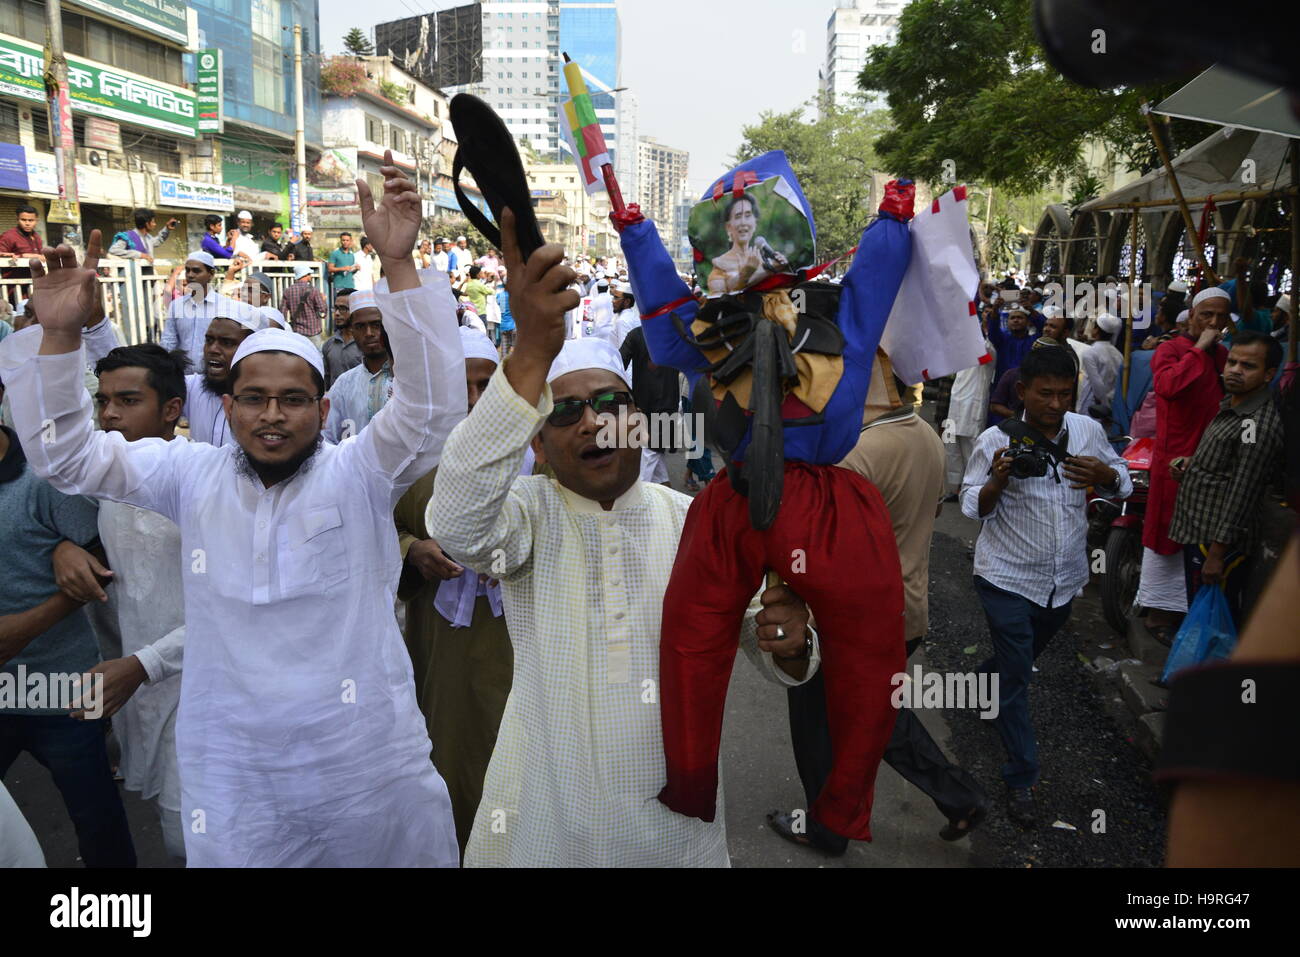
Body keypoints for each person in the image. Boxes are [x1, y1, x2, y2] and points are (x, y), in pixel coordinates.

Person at [0, 154, 464, 867]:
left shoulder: (358, 473)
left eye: (293, 399)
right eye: (254, 398)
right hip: (241, 774)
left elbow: (432, 408)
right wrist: (59, 337)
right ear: (228, 406)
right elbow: (67, 458)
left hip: (365, 767)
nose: (272, 416)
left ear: (323, 406)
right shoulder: (192, 474)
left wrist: (398, 263)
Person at [426, 209, 819, 866]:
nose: (592, 423)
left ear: (638, 424)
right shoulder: (525, 516)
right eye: (567, 412)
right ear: (540, 448)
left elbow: (776, 648)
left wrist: (793, 639)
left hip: (671, 830)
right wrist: (528, 351)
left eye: (610, 404)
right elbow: (456, 523)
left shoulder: (695, 522)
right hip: (544, 824)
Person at [769, 349, 988, 854]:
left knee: (818, 725)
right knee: (878, 715)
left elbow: (820, 546)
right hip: (905, 610)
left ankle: (825, 828)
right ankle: (960, 798)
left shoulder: (859, 453)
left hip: (849, 620)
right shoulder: (925, 435)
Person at [961, 346, 1131, 826]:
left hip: (1064, 581)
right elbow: (974, 505)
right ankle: (1022, 779)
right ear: (1022, 392)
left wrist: (1103, 474)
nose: (1056, 403)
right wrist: (996, 480)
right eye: (1045, 394)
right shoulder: (996, 439)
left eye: (1065, 393)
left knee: (1018, 660)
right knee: (1017, 677)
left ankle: (979, 685)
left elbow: (1121, 482)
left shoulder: (1089, 431)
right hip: (1006, 578)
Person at [395, 325, 515, 856]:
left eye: (485, 385)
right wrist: (411, 551)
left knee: (517, 750)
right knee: (447, 748)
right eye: (459, 387)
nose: (472, 400)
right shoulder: (407, 460)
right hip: (439, 640)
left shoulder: (533, 453)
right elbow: (375, 529)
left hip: (520, 637)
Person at [0, 405, 136, 867]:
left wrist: (27, 626)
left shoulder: (43, 479)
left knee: (97, 818)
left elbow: (105, 560)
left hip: (64, 686)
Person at [71, 343, 190, 861]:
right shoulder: (103, 481)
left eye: (127, 399)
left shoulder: (201, 480)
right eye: (102, 401)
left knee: (191, 838)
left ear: (171, 409)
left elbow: (233, 611)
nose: (110, 414)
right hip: (140, 686)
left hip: (207, 687)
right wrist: (65, 546)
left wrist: (143, 665)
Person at [1168, 331, 1285, 627]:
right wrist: (1189, 464)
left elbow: (1243, 490)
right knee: (1201, 613)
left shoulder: (1256, 424)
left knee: (1214, 621)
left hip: (1217, 541)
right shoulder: (1232, 405)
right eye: (1232, 361)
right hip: (1200, 529)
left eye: (1248, 366)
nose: (1234, 370)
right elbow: (1225, 464)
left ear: (1269, 374)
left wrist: (1217, 554)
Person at [1137, 288, 1230, 645]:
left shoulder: (1224, 355)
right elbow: (1168, 386)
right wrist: (1200, 349)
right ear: (1191, 315)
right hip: (1173, 458)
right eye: (1206, 314)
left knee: (1200, 539)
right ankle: (1159, 612)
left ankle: (1191, 614)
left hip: (1211, 461)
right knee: (1168, 535)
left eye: (1221, 316)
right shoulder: (1172, 350)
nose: (1214, 323)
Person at [182, 299, 265, 447]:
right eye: (209, 340)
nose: (213, 349)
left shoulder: (274, 402)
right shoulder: (192, 388)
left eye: (227, 343)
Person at [323, 290, 393, 444]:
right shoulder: (344, 384)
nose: (369, 333)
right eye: (360, 326)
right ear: (352, 331)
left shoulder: (408, 379)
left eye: (376, 325)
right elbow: (327, 436)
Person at [619, 324, 679, 485]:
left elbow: (618, 364)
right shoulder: (675, 335)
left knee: (649, 455)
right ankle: (667, 497)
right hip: (667, 403)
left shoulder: (636, 334)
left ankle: (638, 500)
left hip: (644, 405)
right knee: (654, 456)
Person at [707, 193, 789, 296]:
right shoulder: (720, 264)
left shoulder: (765, 259)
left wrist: (780, 267)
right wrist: (747, 273)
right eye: (737, 216)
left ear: (755, 223)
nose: (743, 222)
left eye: (748, 215)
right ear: (728, 227)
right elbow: (718, 301)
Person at [944, 335, 996, 497]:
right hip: (955, 409)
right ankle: (954, 488)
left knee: (972, 452)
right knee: (951, 450)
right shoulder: (962, 358)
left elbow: (986, 346)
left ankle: (972, 489)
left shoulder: (987, 354)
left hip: (972, 411)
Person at [160, 250, 228, 372]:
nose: (190, 275)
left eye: (196, 271)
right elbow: (168, 342)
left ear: (211, 274)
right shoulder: (177, 306)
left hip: (213, 378)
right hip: (182, 378)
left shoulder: (225, 306)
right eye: (187, 270)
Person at [987, 303, 1044, 385]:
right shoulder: (1002, 340)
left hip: (1027, 386)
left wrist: (1031, 310)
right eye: (1012, 318)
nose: (1016, 320)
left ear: (1028, 322)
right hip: (1003, 387)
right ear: (1007, 323)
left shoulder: (1035, 341)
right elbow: (993, 329)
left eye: (1020, 317)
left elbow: (1044, 328)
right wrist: (995, 309)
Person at [1080, 313, 1123, 418]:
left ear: (1096, 330)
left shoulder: (1089, 353)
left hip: (1093, 404)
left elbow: (1097, 383)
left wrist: (1104, 405)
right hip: (1111, 403)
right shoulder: (1119, 355)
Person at [320, 289, 362, 389]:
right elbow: (326, 380)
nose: (337, 313)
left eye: (343, 309)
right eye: (335, 308)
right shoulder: (329, 345)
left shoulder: (365, 344)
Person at [108, 208, 178, 264]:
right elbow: (113, 250)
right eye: (153, 222)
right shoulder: (128, 237)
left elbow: (158, 240)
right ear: (147, 224)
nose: (155, 224)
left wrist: (167, 229)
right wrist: (140, 255)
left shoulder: (148, 238)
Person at [280, 262, 328, 343]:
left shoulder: (288, 291)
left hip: (297, 331)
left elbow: (282, 313)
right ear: (306, 275)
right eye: (309, 274)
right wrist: (323, 299)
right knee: (316, 354)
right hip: (313, 331)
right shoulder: (314, 290)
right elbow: (323, 310)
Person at [0, 204, 45, 283]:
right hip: (15, 285)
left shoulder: (37, 237)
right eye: (23, 220)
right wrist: (20, 256)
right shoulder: (8, 236)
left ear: (36, 221)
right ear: (17, 219)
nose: (27, 223)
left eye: (31, 220)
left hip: (35, 283)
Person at [327, 232, 359, 304]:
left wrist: (356, 269)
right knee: (339, 307)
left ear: (350, 241)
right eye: (343, 240)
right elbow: (330, 269)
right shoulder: (335, 253)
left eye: (347, 240)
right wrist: (342, 268)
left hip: (350, 286)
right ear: (340, 241)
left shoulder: (352, 255)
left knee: (349, 307)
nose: (345, 242)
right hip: (339, 286)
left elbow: (350, 272)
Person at [496, 281, 515, 356]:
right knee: (516, 353)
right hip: (514, 327)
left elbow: (498, 304)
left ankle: (503, 367)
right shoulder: (514, 296)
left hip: (503, 327)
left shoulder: (499, 295)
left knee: (504, 354)